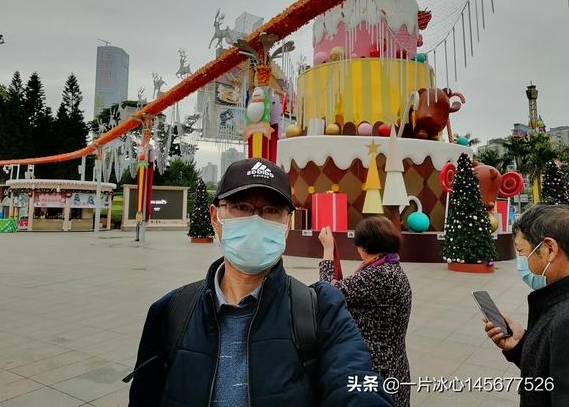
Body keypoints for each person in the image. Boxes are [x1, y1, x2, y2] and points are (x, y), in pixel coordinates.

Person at [128, 158, 392, 406]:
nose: (255, 220)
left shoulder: (322, 310)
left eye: (271, 210)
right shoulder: (171, 312)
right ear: (215, 218)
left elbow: (354, 378)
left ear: (287, 224)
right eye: (241, 207)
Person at [317, 216, 412, 407]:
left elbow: (328, 293)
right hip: (396, 364)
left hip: (376, 367)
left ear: (364, 247)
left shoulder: (378, 275)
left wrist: (327, 249)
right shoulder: (392, 268)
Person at [483, 204, 569, 406]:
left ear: (549, 249)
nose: (521, 262)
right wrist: (520, 345)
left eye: (522, 252)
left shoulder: (565, 320)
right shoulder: (555, 303)